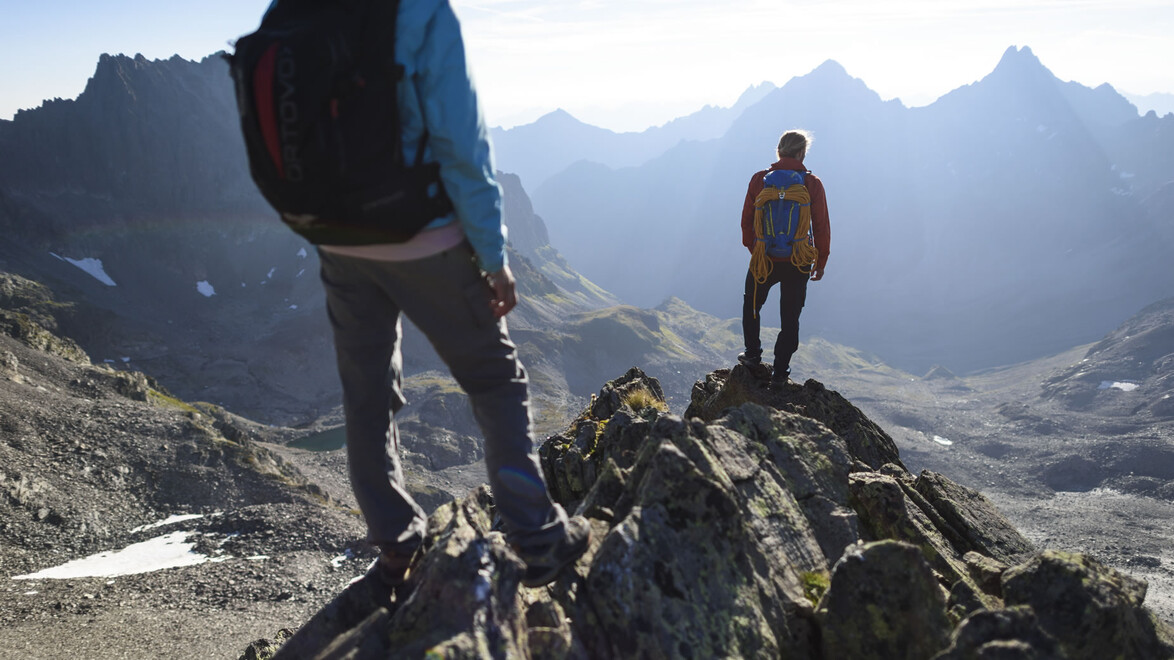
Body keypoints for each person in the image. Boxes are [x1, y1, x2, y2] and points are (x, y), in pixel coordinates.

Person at [263, 0, 590, 591]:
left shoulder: (293, 8)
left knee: (365, 394)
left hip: (337, 237)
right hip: (420, 235)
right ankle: (537, 538)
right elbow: (463, 147)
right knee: (496, 380)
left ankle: (394, 548)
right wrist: (493, 257)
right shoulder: (419, 11)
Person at [739, 130, 831, 387]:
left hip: (764, 259)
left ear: (778, 151)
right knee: (790, 317)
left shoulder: (760, 180)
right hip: (798, 261)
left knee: (752, 305)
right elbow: (821, 226)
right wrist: (820, 262)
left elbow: (747, 220)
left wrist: (757, 250)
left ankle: (753, 354)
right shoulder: (811, 184)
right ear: (802, 153)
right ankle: (780, 372)